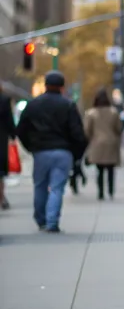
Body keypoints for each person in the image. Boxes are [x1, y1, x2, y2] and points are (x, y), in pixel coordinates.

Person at [15, 71, 88, 232]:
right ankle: (52, 221)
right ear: (62, 87)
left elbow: (20, 129)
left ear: (46, 85)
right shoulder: (68, 105)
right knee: (57, 187)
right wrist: (76, 154)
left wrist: (31, 147)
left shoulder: (33, 105)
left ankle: (41, 219)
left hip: (41, 151)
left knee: (40, 185)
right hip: (63, 152)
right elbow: (78, 134)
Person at [84, 89, 123, 200]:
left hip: (97, 143)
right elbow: (118, 128)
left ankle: (100, 192)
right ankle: (110, 190)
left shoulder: (91, 113)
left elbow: (87, 130)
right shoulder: (113, 112)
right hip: (111, 143)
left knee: (99, 170)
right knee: (111, 169)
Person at [0, 84, 16, 210]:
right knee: (0, 173)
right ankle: (1, 197)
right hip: (1, 139)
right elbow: (9, 121)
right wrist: (13, 135)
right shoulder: (4, 100)